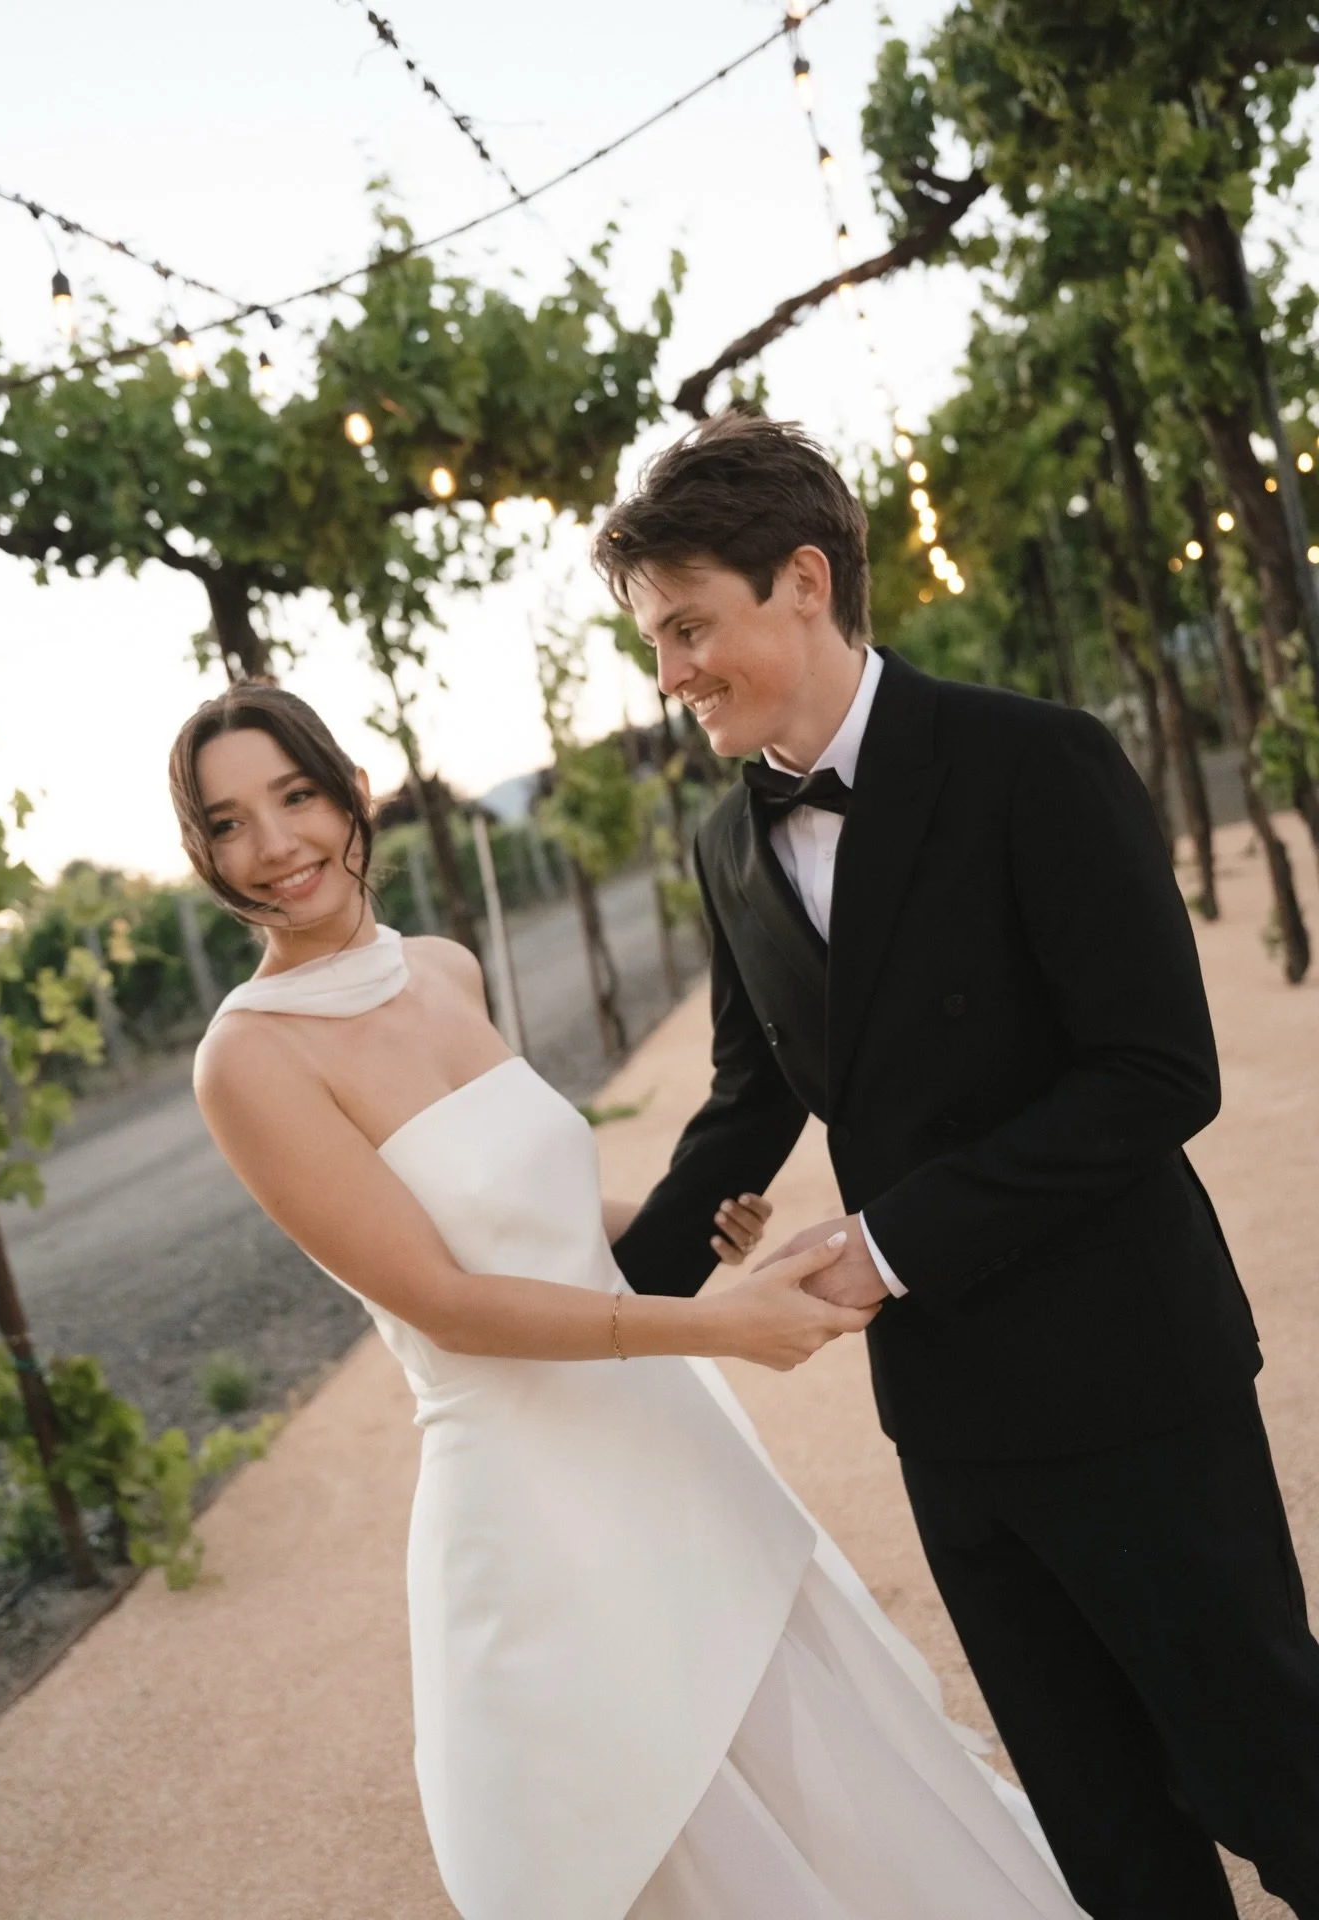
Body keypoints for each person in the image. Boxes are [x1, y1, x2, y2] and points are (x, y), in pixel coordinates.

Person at [171, 681, 1087, 1920]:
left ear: (351, 793)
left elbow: (523, 1216)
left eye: (294, 797)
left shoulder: (442, 968)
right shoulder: (249, 1058)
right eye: (228, 824)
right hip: (535, 1504)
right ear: (202, 853)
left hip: (663, 1445)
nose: (275, 845)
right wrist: (719, 1328)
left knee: (821, 1778)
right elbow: (448, 1298)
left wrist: (679, 1233)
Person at [595, 408, 1319, 1920]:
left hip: (1136, 1384)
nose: (667, 677)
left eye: (685, 629)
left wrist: (887, 1243)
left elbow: (1156, 1073)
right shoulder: (731, 846)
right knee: (1110, 1840)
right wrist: (607, 1311)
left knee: (1276, 1782)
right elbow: (748, 1098)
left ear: (803, 579)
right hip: (949, 1424)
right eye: (652, 643)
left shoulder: (1036, 762)